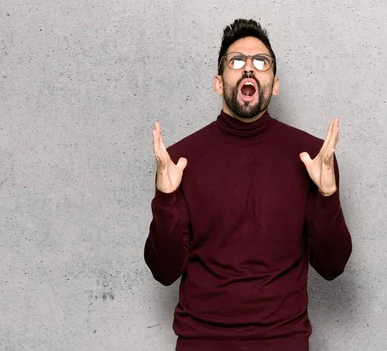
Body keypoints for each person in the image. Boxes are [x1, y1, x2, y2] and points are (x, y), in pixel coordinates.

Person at [144, 19, 353, 351]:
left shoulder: (313, 158)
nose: (249, 69)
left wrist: (327, 195)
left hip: (284, 342)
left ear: (275, 84)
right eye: (236, 61)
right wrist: (166, 199)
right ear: (217, 82)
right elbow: (164, 271)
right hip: (202, 342)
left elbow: (332, 266)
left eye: (261, 62)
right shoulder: (180, 160)